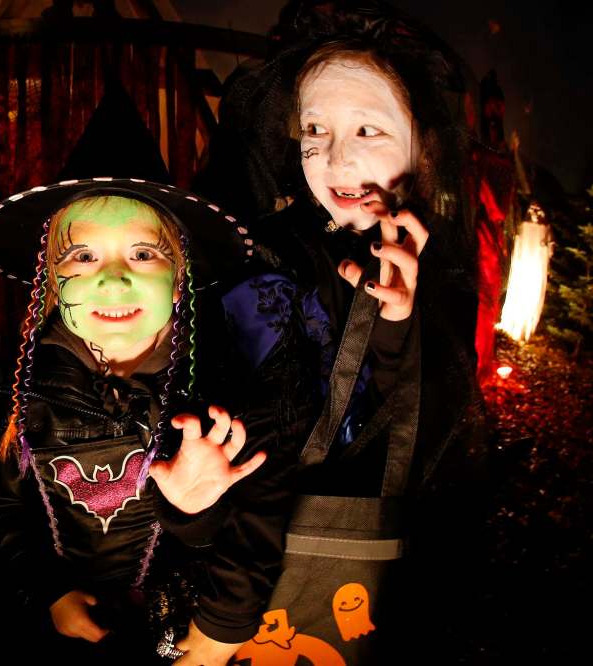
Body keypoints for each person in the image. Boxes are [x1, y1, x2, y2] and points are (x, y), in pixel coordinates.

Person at [0, 175, 300, 663]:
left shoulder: (218, 391)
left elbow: (247, 530)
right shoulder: (24, 394)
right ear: (50, 279)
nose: (113, 279)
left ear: (179, 280)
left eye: (144, 254)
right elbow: (0, 507)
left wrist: (193, 514)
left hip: (180, 632)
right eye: (83, 257)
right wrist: (50, 592)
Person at [160, 2, 488, 663]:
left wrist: (396, 325)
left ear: (423, 148)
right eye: (315, 128)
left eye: (368, 129)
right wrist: (223, 623)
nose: (336, 156)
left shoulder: (423, 263)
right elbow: (263, 445)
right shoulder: (270, 268)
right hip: (248, 598)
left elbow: (414, 441)